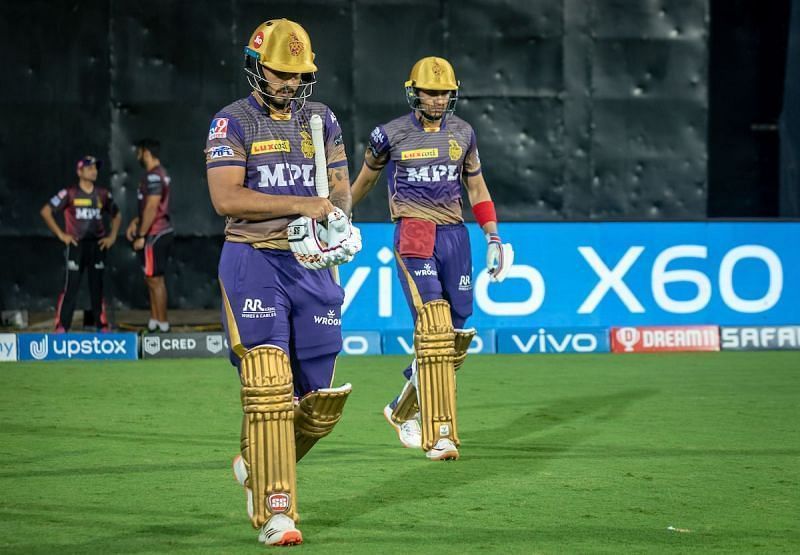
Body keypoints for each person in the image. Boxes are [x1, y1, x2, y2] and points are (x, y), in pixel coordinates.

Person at [205, 18, 361, 547]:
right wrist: (302, 205)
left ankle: (255, 460)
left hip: (312, 267)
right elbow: (226, 199)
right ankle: (279, 512)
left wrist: (336, 220)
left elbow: (338, 189)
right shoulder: (231, 123)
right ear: (257, 67)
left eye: (299, 75)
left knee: (319, 403)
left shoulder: (323, 119)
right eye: (280, 73)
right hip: (253, 259)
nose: (290, 83)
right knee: (270, 385)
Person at [350, 57, 514, 461]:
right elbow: (366, 179)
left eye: (444, 93)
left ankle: (402, 407)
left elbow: (476, 187)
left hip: (455, 235)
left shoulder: (463, 133)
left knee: (456, 330)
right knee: (435, 324)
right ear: (414, 92)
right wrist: (338, 214)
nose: (438, 100)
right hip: (415, 231)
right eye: (430, 92)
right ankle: (438, 432)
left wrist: (492, 235)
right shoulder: (389, 134)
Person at [40, 155, 121, 332]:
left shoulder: (102, 194)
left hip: (97, 245)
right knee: (71, 287)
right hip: (76, 245)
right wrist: (62, 235)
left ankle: (102, 326)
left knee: (97, 287)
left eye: (95, 168)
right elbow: (46, 211)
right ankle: (62, 327)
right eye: (90, 168)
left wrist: (112, 236)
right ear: (79, 171)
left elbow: (117, 214)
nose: (94, 171)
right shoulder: (69, 192)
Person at [125, 138, 174, 333]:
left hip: (156, 234)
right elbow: (149, 207)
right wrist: (137, 221)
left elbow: (153, 207)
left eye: (138, 151)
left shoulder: (154, 176)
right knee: (151, 278)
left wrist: (141, 235)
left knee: (156, 279)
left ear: (146, 152)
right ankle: (155, 320)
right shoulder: (154, 175)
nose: (137, 155)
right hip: (155, 232)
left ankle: (162, 325)